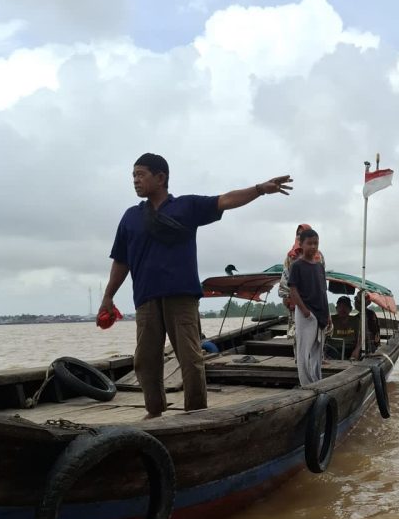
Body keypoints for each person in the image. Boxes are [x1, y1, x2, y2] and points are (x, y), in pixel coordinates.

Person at [97, 152, 292, 418]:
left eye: (140, 174)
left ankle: (196, 414)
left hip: (182, 299)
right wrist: (108, 296)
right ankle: (154, 414)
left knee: (190, 360)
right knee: (145, 362)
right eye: (133, 175)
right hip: (146, 300)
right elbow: (121, 261)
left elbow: (224, 200)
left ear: (161, 177)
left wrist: (260, 189)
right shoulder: (131, 217)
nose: (135, 180)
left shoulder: (186, 207)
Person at [288, 228, 329, 385]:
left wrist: (328, 315)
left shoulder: (319, 266)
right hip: (306, 313)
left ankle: (317, 381)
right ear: (301, 244)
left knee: (318, 351)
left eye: (316, 243)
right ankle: (306, 383)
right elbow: (293, 289)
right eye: (309, 243)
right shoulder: (297, 265)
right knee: (304, 352)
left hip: (321, 312)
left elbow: (323, 290)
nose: (313, 246)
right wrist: (304, 311)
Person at [278, 223, 325, 339]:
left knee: (317, 338)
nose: (300, 236)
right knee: (299, 339)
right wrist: (290, 300)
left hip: (317, 303)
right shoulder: (291, 257)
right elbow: (286, 283)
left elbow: (322, 282)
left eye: (302, 234)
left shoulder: (319, 257)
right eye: (298, 234)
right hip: (298, 303)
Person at [330, 296, 361, 360]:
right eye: (340, 307)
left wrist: (357, 350)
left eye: (345, 307)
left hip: (350, 349)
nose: (342, 309)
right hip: (334, 349)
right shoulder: (331, 320)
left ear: (350, 309)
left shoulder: (355, 320)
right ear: (336, 308)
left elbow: (360, 338)